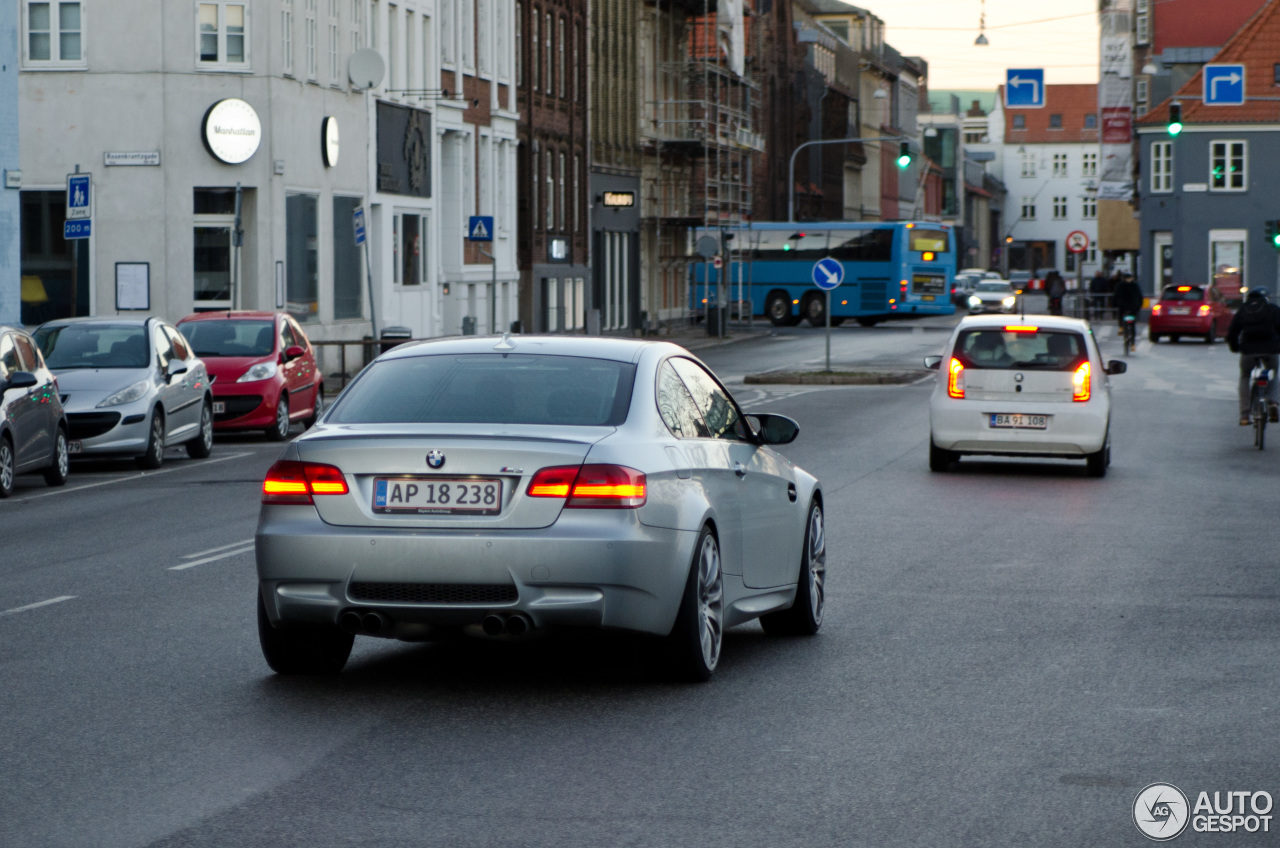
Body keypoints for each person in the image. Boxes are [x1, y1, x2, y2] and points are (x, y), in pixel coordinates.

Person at [1226, 287, 1280, 425]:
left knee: (1245, 376)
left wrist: (1235, 347)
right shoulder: (1272, 309)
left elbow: (1232, 331)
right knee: (1272, 373)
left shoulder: (1244, 309)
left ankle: (1244, 415)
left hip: (1249, 351)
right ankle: (1273, 403)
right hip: (1270, 350)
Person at [1112, 273, 1144, 345]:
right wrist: (1139, 306)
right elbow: (1140, 296)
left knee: (1120, 315)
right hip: (1133, 307)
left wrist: (1114, 304)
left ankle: (1121, 327)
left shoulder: (1120, 285)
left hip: (1123, 306)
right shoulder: (1135, 285)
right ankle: (1132, 343)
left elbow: (1115, 296)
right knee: (1132, 324)